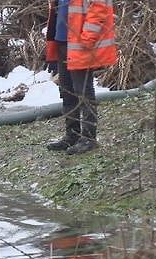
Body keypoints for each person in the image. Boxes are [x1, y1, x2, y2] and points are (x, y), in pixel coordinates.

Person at [43, 0, 116, 154]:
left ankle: (89, 138)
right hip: (63, 42)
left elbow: (99, 9)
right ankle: (72, 135)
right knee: (67, 93)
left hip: (79, 45)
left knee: (83, 93)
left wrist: (87, 38)